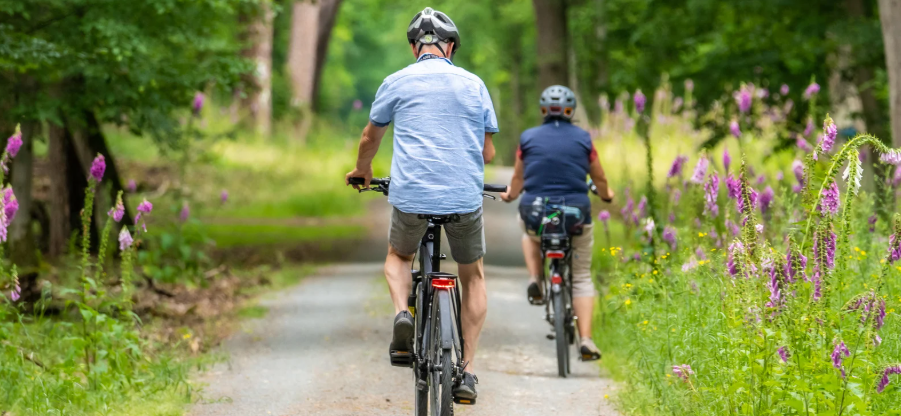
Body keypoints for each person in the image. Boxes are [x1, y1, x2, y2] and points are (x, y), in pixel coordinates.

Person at [344, 7, 498, 401]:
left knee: (398, 256)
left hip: (411, 195)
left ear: (415, 47)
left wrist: (363, 171)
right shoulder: (474, 84)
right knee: (473, 275)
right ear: (451, 47)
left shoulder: (396, 81)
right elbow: (489, 152)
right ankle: (467, 373)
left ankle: (402, 314)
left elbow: (369, 138)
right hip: (463, 197)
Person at [500, 85, 614, 361]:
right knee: (583, 277)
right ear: (570, 110)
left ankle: (536, 278)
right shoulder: (584, 139)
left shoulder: (528, 138)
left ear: (542, 110)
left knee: (528, 231)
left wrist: (511, 195)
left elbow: (518, 178)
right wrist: (607, 195)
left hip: (537, 213)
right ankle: (586, 339)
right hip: (575, 214)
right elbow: (598, 177)